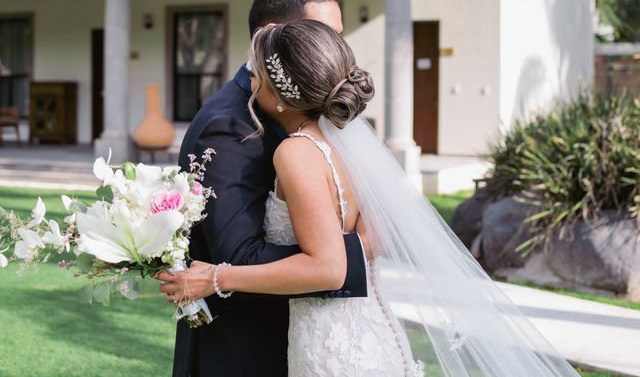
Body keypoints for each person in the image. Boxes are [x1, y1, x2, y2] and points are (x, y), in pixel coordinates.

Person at [161, 18, 582, 377]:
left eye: (259, 76)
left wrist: (216, 277)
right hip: (369, 327)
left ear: (281, 94)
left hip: (329, 343)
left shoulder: (294, 152)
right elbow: (372, 235)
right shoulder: (346, 144)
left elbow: (328, 269)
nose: (251, 82)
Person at [157, 0, 370, 377]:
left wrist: (341, 254)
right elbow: (238, 256)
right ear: (273, 36)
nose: (334, 50)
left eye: (339, 37)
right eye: (322, 33)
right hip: (244, 351)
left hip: (314, 341)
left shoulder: (322, 119)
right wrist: (346, 257)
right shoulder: (230, 125)